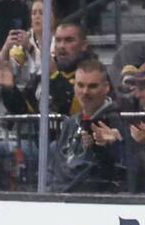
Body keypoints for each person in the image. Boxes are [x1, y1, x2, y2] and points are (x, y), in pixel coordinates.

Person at [46, 58, 125, 194]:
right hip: (59, 199)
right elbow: (55, 168)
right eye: (80, 85)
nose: (85, 92)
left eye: (92, 86)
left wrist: (113, 146)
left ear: (106, 88)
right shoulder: (70, 123)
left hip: (93, 201)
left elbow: (119, 172)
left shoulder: (118, 122)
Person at [0, 21, 90, 116]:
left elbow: (77, 108)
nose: (61, 46)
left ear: (83, 45)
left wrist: (55, 76)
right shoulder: (43, 76)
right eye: (58, 41)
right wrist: (9, 88)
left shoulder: (94, 73)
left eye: (69, 40)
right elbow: (23, 111)